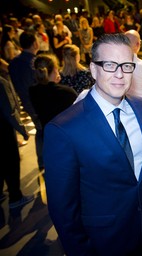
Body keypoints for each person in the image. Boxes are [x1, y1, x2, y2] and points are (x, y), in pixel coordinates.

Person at [43, 33, 142, 255]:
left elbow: (139, 168)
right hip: (102, 242)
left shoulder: (141, 108)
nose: (120, 74)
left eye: (126, 66)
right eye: (110, 65)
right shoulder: (63, 129)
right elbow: (63, 210)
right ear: (93, 69)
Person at [9, 31, 44, 171]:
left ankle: (42, 161)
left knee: (40, 131)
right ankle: (44, 160)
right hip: (38, 102)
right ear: (34, 43)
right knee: (44, 131)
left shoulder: (14, 62)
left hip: (24, 102)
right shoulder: (34, 62)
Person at [0, 71, 34, 209]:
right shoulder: (1, 82)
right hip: (3, 130)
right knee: (11, 163)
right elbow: (10, 110)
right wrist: (22, 130)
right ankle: (15, 197)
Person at [29, 53, 77, 130]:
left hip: (47, 133)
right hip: (66, 135)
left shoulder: (32, 90)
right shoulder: (67, 92)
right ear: (55, 69)